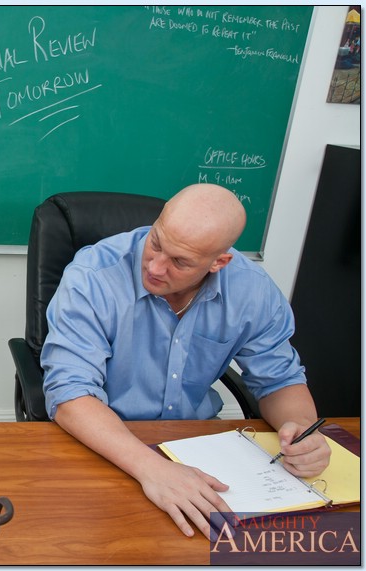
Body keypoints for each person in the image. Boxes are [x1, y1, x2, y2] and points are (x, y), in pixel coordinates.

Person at [41, 183, 330, 540]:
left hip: (196, 448)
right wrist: (153, 469)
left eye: (180, 262)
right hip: (103, 442)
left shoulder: (251, 290)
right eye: (157, 242)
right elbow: (70, 393)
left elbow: (278, 379)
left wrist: (300, 431)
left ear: (219, 262)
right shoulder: (93, 277)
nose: (156, 267)